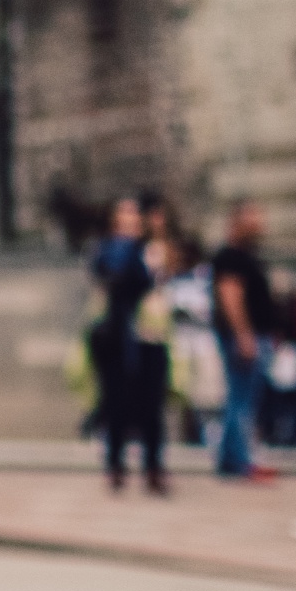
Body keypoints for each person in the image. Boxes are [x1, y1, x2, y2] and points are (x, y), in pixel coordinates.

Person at [85, 195, 171, 497]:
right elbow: (107, 281)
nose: (130, 221)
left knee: (151, 405)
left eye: (135, 215)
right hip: (116, 338)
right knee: (115, 403)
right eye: (123, 215)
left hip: (150, 335)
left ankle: (153, 466)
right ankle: (116, 464)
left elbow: (155, 281)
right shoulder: (107, 251)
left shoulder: (152, 249)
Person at [207, 201, 279, 482]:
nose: (261, 223)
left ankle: (230, 458)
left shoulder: (246, 255)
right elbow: (231, 297)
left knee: (240, 399)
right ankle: (240, 461)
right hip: (243, 337)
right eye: (255, 216)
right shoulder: (232, 256)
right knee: (242, 401)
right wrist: (244, 334)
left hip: (250, 335)